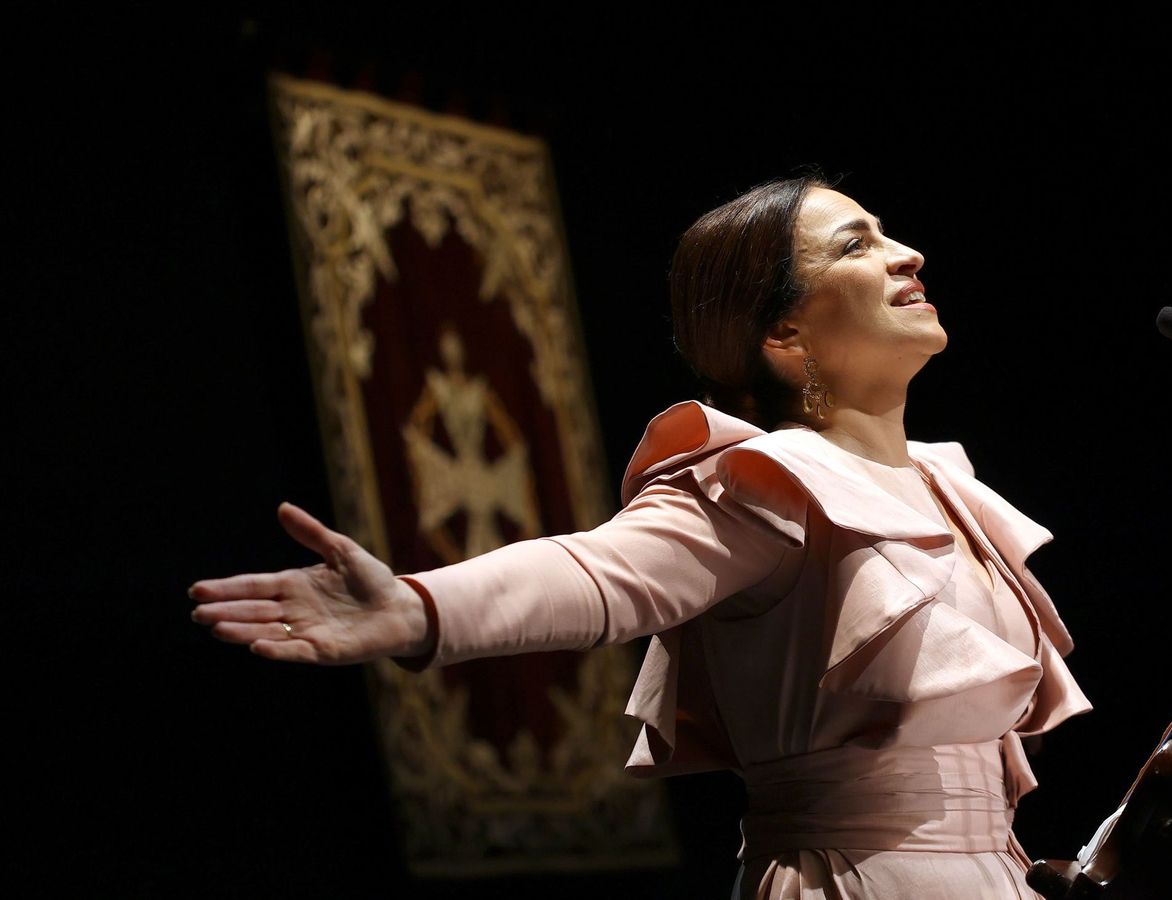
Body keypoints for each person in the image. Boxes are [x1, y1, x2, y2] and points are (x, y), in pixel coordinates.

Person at [190, 175, 1092, 899]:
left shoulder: (950, 485)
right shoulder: (763, 482)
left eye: (887, 232)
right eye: (857, 244)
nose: (908, 255)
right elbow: (600, 572)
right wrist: (420, 606)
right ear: (783, 332)